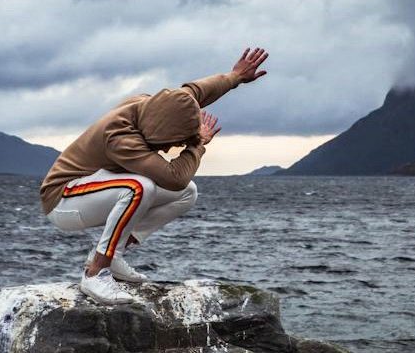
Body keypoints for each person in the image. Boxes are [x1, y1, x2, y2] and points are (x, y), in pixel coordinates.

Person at [39, 47, 269, 304]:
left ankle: (112, 255)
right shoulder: (121, 137)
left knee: (187, 193)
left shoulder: (152, 104)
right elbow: (173, 176)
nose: (170, 149)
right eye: (169, 143)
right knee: (139, 187)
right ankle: (95, 273)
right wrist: (197, 144)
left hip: (95, 186)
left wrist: (234, 77)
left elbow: (195, 91)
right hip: (63, 199)